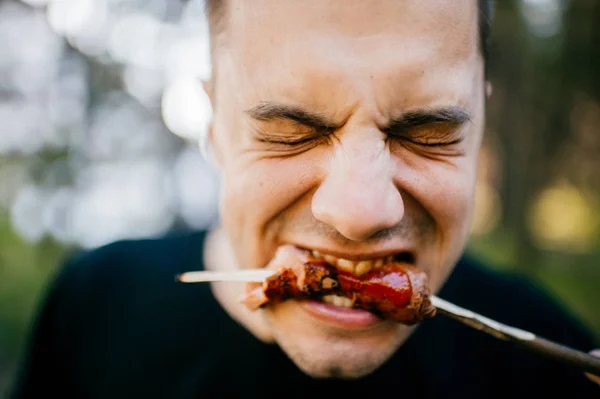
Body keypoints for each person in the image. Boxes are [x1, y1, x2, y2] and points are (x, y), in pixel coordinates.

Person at [9, 0, 600, 397]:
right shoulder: (93, 309)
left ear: (481, 126)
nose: (360, 212)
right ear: (216, 123)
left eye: (427, 134)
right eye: (292, 133)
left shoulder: (554, 362)